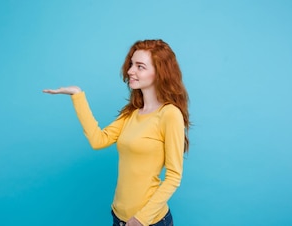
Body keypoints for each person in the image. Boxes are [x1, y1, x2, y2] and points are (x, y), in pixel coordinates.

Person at [43, 39, 190, 226]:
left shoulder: (169, 114)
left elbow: (174, 177)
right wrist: (77, 95)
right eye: (131, 64)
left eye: (140, 66)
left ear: (160, 73)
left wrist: (140, 219)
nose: (130, 71)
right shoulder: (132, 113)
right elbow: (98, 140)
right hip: (118, 217)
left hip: (148, 222)